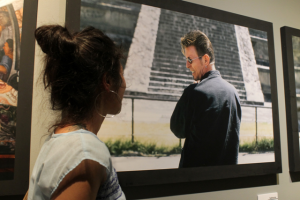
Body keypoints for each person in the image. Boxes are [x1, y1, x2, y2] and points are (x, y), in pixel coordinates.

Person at [26, 25, 126, 200]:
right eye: (122, 75)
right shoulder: (86, 152)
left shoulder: (60, 140)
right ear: (108, 81)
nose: (125, 84)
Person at [170, 30, 242, 168]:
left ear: (206, 59)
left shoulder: (195, 92)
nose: (187, 65)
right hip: (227, 181)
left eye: (190, 59)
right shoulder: (234, 93)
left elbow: (177, 129)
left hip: (196, 182)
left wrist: (188, 94)